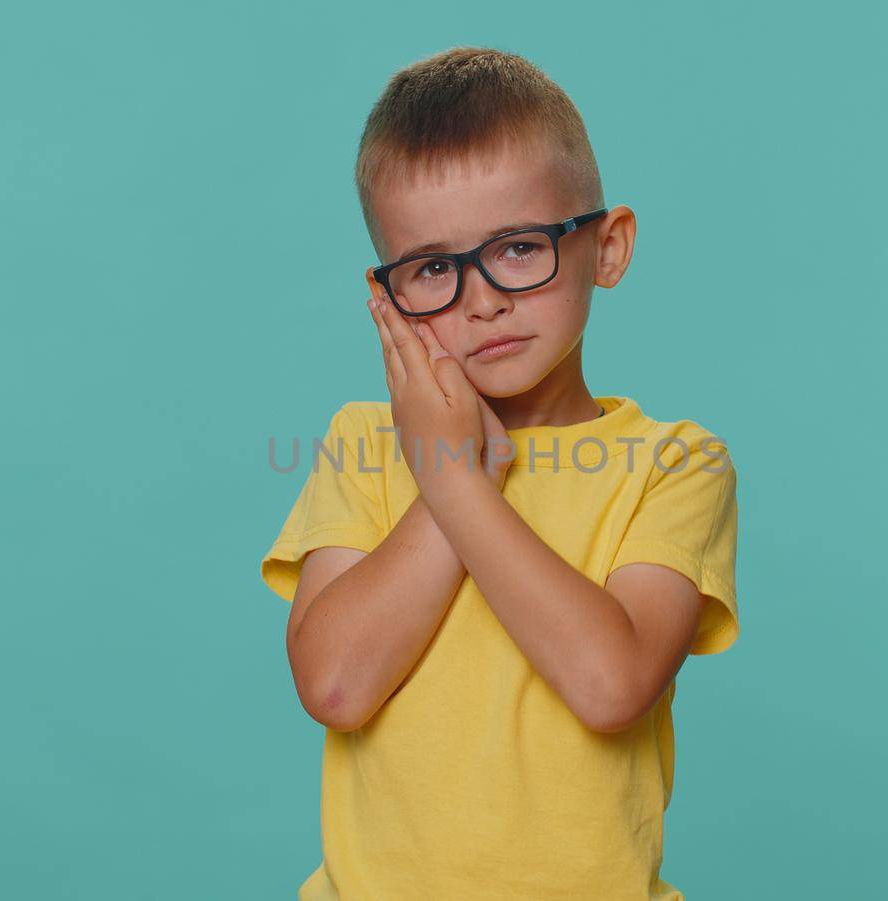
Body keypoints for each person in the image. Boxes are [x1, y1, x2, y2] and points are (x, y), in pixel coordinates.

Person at [259, 45, 741, 900]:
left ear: (608, 247)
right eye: (435, 269)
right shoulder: (364, 445)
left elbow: (610, 684)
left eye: (519, 247)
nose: (482, 300)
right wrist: (443, 466)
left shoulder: (674, 463)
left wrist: (452, 479)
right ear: (387, 297)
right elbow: (335, 683)